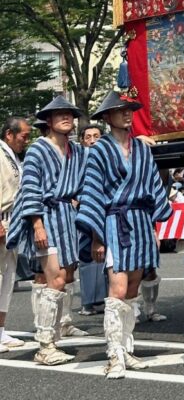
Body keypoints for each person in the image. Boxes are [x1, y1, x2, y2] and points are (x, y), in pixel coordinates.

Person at [76, 90, 172, 379]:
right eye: (120, 110)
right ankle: (114, 354)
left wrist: (155, 226)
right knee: (116, 290)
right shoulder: (99, 150)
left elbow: (155, 186)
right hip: (114, 222)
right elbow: (92, 191)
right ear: (107, 116)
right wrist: (96, 237)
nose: (127, 113)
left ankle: (126, 348)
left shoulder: (142, 149)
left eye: (130, 109)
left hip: (141, 220)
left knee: (132, 289)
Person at [6, 96, 87, 365]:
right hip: (46, 217)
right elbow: (29, 188)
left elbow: (95, 165)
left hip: (67, 216)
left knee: (65, 277)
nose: (66, 117)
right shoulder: (38, 150)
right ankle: (45, 344)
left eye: (69, 114)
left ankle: (53, 334)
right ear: (49, 121)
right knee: (54, 279)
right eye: (59, 114)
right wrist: (37, 224)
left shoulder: (76, 151)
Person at [0, 117, 31, 352]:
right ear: (9, 134)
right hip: (2, 218)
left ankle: (1, 330)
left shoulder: (13, 156)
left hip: (13, 220)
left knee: (8, 278)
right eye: (24, 136)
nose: (26, 141)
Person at [76, 124, 106, 316]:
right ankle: (88, 301)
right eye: (89, 137)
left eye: (97, 136)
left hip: (107, 209)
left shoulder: (108, 156)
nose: (93, 140)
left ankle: (104, 298)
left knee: (107, 256)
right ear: (82, 140)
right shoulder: (77, 158)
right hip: (84, 210)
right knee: (86, 254)